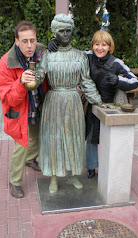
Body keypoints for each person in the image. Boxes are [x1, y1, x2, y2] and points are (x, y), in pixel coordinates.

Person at [33, 14, 113, 194]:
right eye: (61, 31)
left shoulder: (79, 56)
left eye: (69, 30)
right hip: (53, 101)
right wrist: (31, 79)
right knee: (54, 139)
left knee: (74, 138)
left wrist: (99, 101)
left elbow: (86, 82)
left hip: (73, 101)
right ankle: (54, 176)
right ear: (55, 33)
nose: (66, 34)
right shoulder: (47, 55)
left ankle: (72, 174)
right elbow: (38, 76)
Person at [0, 21, 48, 198]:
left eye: (32, 40)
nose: (29, 45)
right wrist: (20, 83)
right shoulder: (6, 63)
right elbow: (8, 98)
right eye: (24, 41)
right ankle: (15, 182)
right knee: (21, 144)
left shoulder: (42, 53)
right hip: (19, 109)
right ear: (16, 41)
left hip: (38, 104)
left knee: (37, 135)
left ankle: (30, 160)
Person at [85, 30, 138, 178]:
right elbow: (69, 53)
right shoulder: (87, 56)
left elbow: (134, 81)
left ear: (110, 47)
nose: (100, 48)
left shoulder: (116, 63)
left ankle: (111, 169)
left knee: (110, 139)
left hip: (110, 107)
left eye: (104, 44)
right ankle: (91, 167)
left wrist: (118, 80)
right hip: (92, 106)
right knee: (91, 137)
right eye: (96, 44)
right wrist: (54, 42)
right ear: (92, 45)